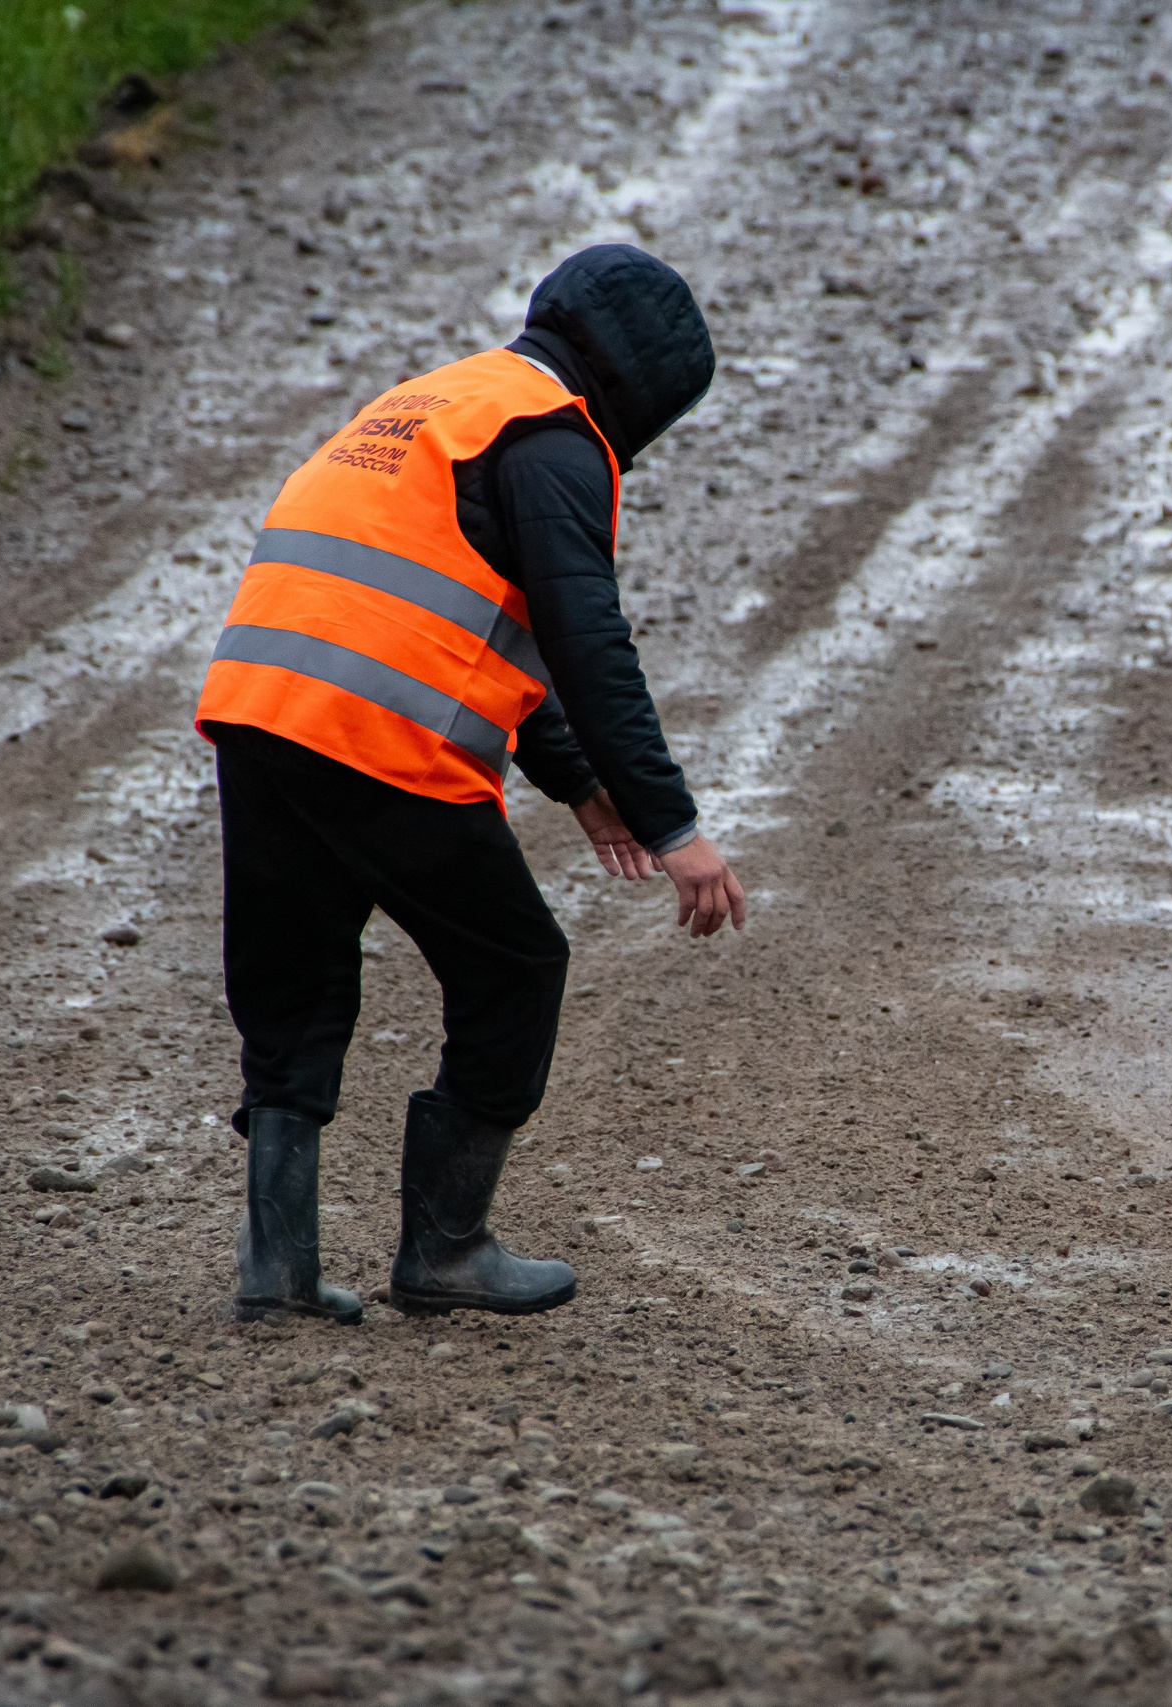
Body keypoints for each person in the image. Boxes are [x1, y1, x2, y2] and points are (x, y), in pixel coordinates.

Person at [193, 244, 747, 1325]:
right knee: (515, 967)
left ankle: (278, 1270)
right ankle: (444, 1250)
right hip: (379, 737)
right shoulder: (557, 443)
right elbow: (585, 640)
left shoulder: (442, 400)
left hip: (260, 706)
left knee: (293, 977)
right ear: (644, 392)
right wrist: (672, 824)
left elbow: (457, 601)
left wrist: (578, 783)